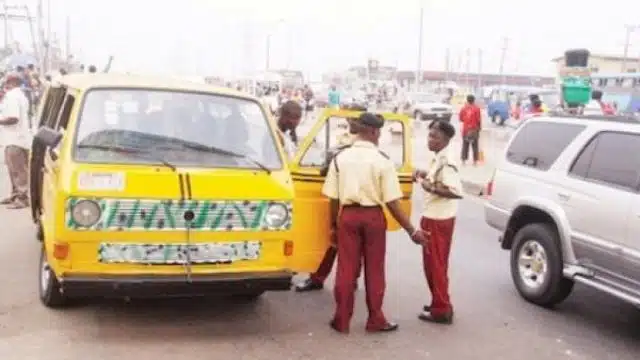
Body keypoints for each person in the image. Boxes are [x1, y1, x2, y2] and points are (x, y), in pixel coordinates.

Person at [322, 112, 427, 334]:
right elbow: (392, 203)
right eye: (379, 132)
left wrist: (334, 225)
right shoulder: (382, 161)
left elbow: (333, 198)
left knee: (345, 270)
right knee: (375, 270)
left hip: (348, 217)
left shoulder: (340, 159)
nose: (380, 136)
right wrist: (412, 231)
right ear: (373, 132)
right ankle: (375, 319)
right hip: (373, 219)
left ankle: (341, 320)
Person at [294, 114, 364, 293]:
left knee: (352, 245)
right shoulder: (342, 138)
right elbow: (327, 168)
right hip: (337, 194)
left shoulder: (365, 145)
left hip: (353, 197)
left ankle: (349, 280)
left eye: (356, 119)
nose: (352, 122)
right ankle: (318, 277)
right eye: (350, 118)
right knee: (329, 241)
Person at [413, 120, 462, 325]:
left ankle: (441, 309)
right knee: (433, 264)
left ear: (445, 140)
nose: (430, 140)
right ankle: (439, 302)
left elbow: (454, 191)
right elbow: (439, 178)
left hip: (438, 219)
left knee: (435, 265)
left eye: (435, 137)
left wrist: (428, 186)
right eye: (430, 135)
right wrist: (426, 175)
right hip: (434, 216)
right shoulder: (438, 158)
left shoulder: (446, 161)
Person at [0, 72, 32, 209]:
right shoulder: (20, 95)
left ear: (11, 82)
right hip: (15, 138)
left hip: (15, 139)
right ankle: (15, 195)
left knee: (18, 170)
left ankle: (22, 198)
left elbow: (14, 117)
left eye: (6, 81)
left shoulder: (13, 96)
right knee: (13, 169)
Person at [458, 94, 481, 166]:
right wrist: (479, 128)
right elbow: (478, 120)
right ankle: (475, 162)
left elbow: (460, 119)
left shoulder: (463, 108)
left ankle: (463, 161)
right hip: (474, 130)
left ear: (467, 100)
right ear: (474, 100)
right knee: (475, 146)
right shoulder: (477, 109)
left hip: (465, 130)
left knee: (465, 145)